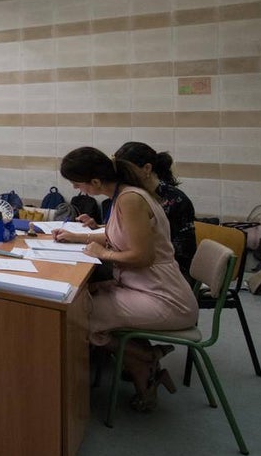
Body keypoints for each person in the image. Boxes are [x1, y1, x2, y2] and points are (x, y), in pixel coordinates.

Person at [53, 146, 198, 412]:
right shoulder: (123, 196)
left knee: (76, 316)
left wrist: (102, 253)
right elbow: (117, 236)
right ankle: (146, 370)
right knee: (88, 295)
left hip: (163, 296)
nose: (77, 190)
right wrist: (83, 238)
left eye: (78, 184)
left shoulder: (130, 199)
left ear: (95, 182)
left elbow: (142, 257)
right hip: (144, 286)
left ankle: (146, 358)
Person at [111, 142, 197, 283]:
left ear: (147, 168)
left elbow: (169, 250)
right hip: (150, 264)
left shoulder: (174, 200)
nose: (122, 178)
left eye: (126, 172)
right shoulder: (134, 194)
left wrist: (109, 253)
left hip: (170, 272)